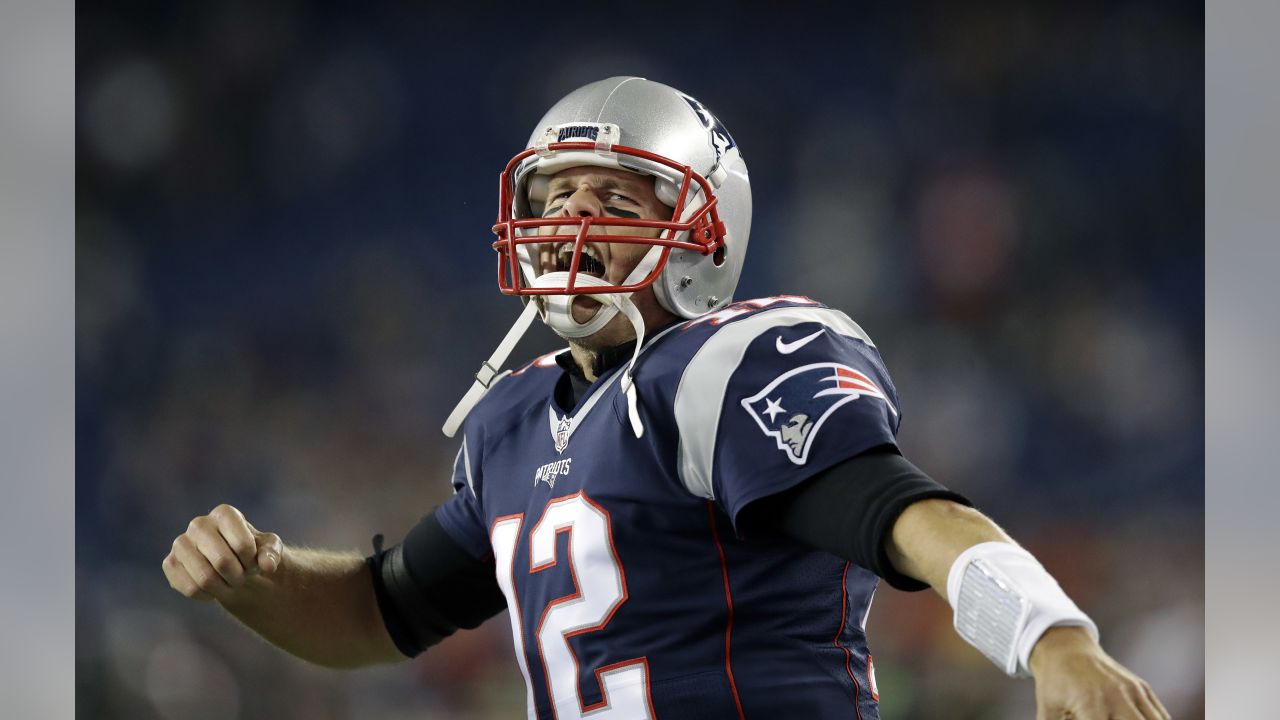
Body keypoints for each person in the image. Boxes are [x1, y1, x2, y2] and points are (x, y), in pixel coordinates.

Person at [163, 77, 1170, 720]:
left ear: (701, 231)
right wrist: (256, 579)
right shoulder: (513, 425)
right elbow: (381, 616)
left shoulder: (728, 368)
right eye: (552, 198)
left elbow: (906, 516)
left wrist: (1052, 637)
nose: (569, 221)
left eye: (610, 197)